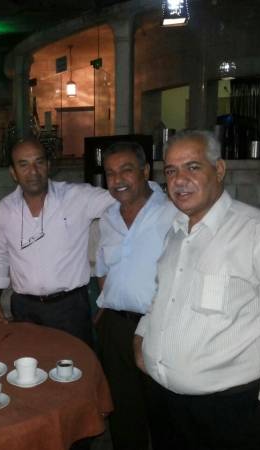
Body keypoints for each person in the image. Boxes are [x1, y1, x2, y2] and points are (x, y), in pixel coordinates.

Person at [134, 130, 260, 450]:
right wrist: (141, 340)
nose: (179, 180)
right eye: (171, 171)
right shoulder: (175, 233)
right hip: (164, 405)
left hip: (231, 414)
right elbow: (162, 299)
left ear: (219, 170)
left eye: (193, 167)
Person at [0, 138, 115, 346]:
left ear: (48, 165)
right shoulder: (4, 211)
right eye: (23, 164)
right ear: (13, 173)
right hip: (25, 309)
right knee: (29, 363)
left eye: (39, 162)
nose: (33, 171)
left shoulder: (77, 197)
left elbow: (121, 199)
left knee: (75, 362)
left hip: (69, 308)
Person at [94, 141, 177, 450]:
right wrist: (107, 307)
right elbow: (103, 268)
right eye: (110, 173)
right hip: (115, 327)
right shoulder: (108, 218)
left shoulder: (173, 210)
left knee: (163, 409)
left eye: (126, 170)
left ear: (145, 171)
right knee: (123, 410)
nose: (117, 180)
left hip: (158, 325)